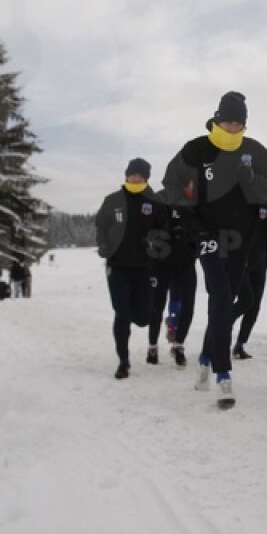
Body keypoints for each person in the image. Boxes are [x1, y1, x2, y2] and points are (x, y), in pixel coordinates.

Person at [159, 91, 267, 409]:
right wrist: (188, 216)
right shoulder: (197, 149)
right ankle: (223, 375)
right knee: (221, 295)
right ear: (217, 119)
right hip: (207, 233)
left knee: (228, 300)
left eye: (238, 123)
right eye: (227, 121)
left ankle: (205, 355)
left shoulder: (251, 151)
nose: (231, 128)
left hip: (241, 237)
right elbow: (171, 183)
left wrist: (253, 179)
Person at [95, 157, 168, 379]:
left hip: (144, 268)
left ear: (146, 177)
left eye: (140, 175)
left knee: (145, 317)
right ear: (127, 175)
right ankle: (123, 361)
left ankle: (139, 318)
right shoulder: (113, 200)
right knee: (122, 314)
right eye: (132, 174)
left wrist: (154, 244)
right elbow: (101, 225)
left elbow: (164, 232)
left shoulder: (155, 202)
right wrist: (104, 246)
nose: (135, 178)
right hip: (117, 268)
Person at [230, 201, 267, 360]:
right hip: (238, 260)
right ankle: (223, 324)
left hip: (259, 263)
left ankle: (240, 345)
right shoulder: (239, 201)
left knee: (254, 307)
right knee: (246, 300)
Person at [149, 203, 198, 367]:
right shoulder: (159, 199)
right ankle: (152, 346)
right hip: (161, 262)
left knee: (189, 303)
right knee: (157, 304)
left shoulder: (195, 203)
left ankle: (178, 345)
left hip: (186, 263)